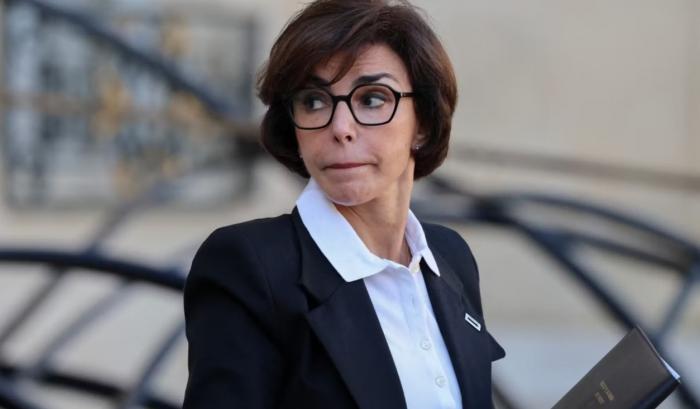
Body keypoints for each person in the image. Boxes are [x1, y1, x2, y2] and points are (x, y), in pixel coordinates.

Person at [182, 0, 505, 408]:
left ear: (422, 122)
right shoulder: (249, 266)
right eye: (314, 101)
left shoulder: (451, 257)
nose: (340, 128)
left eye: (371, 99)